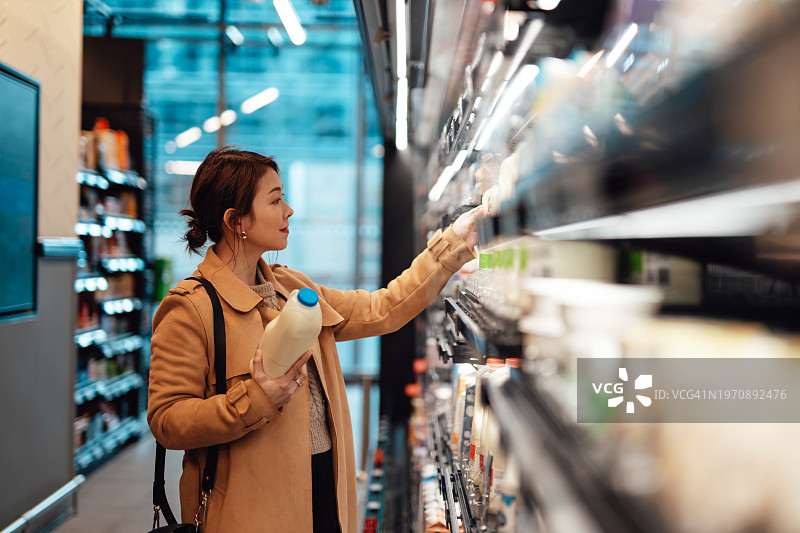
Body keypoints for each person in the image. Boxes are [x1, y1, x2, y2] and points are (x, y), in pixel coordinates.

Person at [148, 147, 482, 533]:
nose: (289, 210)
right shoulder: (191, 308)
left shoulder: (292, 288)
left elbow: (383, 307)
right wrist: (255, 400)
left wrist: (454, 243)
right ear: (236, 220)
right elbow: (167, 420)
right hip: (249, 515)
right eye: (275, 200)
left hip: (324, 497)